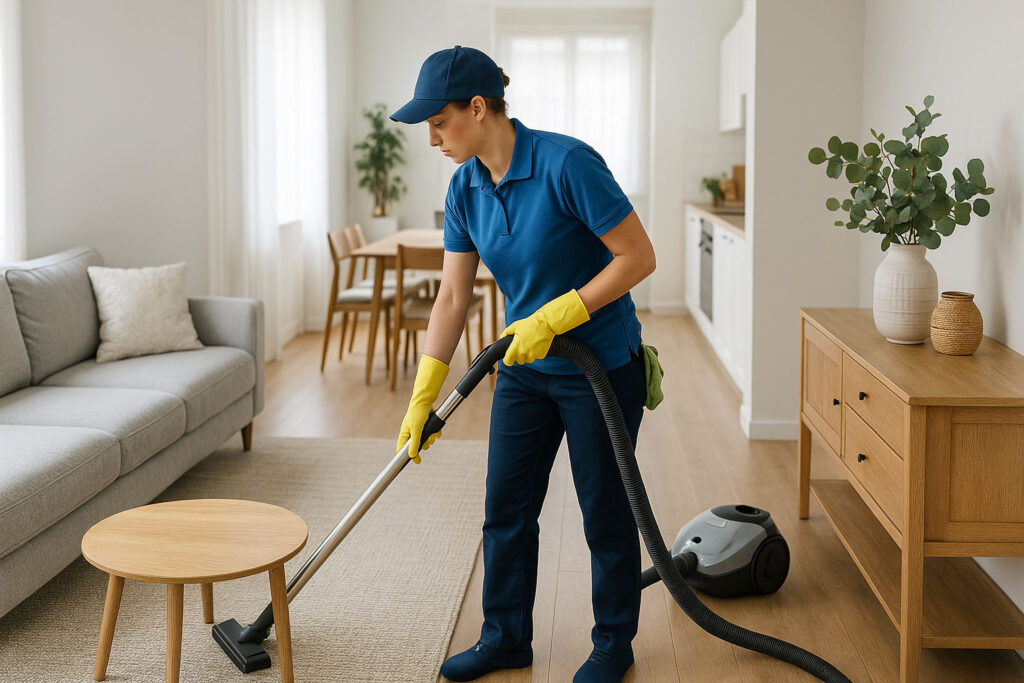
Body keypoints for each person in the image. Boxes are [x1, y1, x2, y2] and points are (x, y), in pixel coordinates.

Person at [391, 46, 656, 683]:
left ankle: (613, 643)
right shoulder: (464, 186)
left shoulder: (567, 164)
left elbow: (638, 257)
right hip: (523, 367)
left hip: (600, 365)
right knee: (506, 509)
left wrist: (557, 315)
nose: (432, 139)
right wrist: (427, 386)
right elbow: (454, 294)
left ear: (478, 108)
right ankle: (505, 637)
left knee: (605, 511)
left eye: (440, 123)